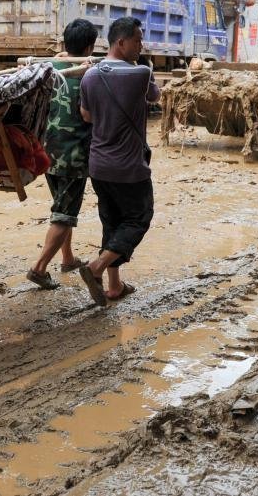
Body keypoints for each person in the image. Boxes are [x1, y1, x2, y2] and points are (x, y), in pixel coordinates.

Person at [77, 17, 159, 306]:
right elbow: (154, 98)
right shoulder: (141, 74)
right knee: (138, 218)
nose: (141, 46)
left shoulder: (89, 75)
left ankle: (114, 286)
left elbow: (87, 116)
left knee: (111, 224)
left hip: (98, 165)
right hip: (129, 167)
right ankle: (96, 268)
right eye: (137, 40)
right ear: (121, 42)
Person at [27, 19, 98, 290]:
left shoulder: (49, 68)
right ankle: (39, 267)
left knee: (62, 207)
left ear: (64, 44)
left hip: (48, 151)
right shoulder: (89, 75)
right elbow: (88, 115)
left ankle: (67, 258)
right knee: (64, 213)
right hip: (74, 154)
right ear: (90, 46)